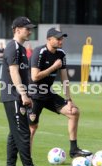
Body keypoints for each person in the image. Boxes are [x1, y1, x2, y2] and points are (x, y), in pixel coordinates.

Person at [28, 27, 92, 158]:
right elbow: (35, 77)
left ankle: (74, 150)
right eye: (58, 39)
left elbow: (64, 78)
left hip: (48, 94)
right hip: (33, 95)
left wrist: (69, 99)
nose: (61, 41)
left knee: (74, 112)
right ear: (49, 39)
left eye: (62, 38)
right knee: (32, 128)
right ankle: (26, 158)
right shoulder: (39, 52)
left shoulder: (61, 54)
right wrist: (53, 67)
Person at [0, 16, 45, 166]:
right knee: (23, 133)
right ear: (17, 30)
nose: (30, 31)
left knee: (15, 134)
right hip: (13, 96)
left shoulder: (21, 48)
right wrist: (23, 95)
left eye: (30, 28)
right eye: (27, 28)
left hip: (17, 97)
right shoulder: (13, 47)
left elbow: (24, 74)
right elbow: (13, 71)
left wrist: (28, 95)